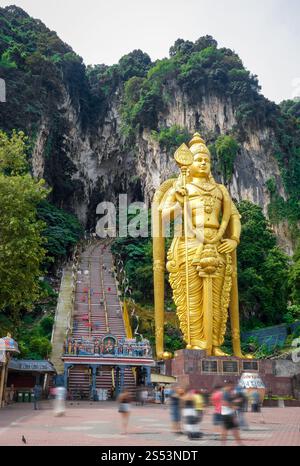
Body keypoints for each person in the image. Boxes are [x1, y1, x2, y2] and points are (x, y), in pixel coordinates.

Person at [154, 133, 247, 358]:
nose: (203, 163)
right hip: (189, 244)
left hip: (216, 244)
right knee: (191, 296)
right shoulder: (181, 188)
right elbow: (162, 216)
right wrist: (178, 200)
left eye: (207, 160)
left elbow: (234, 217)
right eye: (199, 159)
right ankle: (195, 341)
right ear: (189, 163)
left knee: (218, 298)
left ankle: (215, 343)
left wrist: (233, 239)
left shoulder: (219, 190)